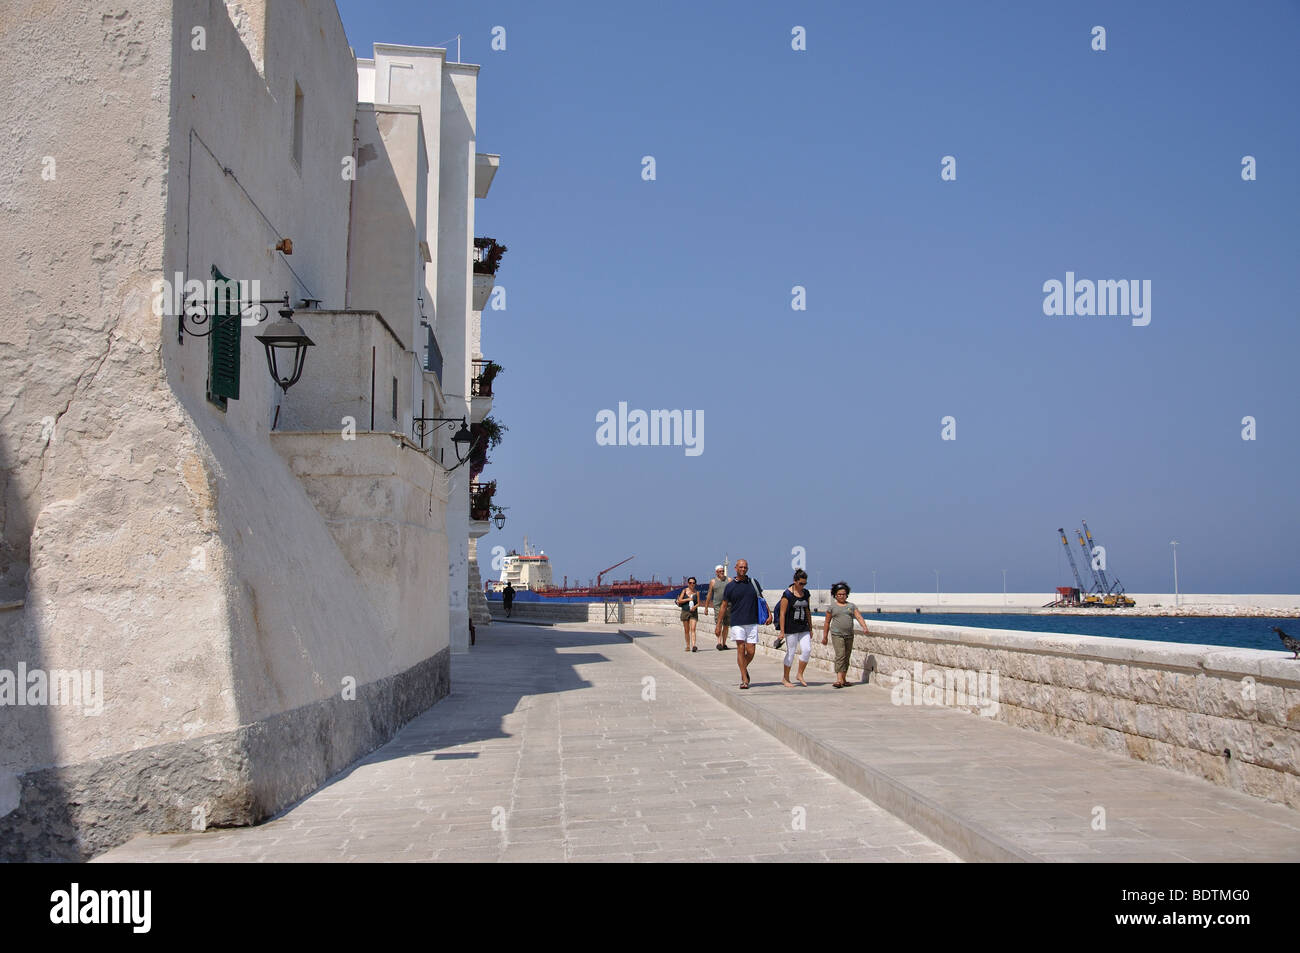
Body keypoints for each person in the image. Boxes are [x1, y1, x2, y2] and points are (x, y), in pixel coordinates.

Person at [716, 558, 763, 689]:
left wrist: (769, 614)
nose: (743, 569)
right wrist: (718, 624)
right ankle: (744, 679)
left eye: (745, 567)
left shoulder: (753, 583)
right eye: (740, 567)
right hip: (737, 622)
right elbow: (724, 606)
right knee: (740, 649)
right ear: (736, 568)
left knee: (751, 651)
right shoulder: (730, 587)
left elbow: (761, 599)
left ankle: (743, 668)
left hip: (752, 621)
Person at [822, 582, 870, 688]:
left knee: (847, 657)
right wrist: (825, 636)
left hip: (849, 635)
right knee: (840, 655)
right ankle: (838, 680)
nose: (841, 596)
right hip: (837, 634)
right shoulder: (832, 607)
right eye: (839, 594)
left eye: (843, 594)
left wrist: (864, 627)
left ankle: (843, 679)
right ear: (835, 595)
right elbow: (827, 622)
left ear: (847, 594)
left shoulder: (851, 606)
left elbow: (859, 617)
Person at [778, 569, 813, 687]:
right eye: (800, 583)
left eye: (804, 584)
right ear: (795, 581)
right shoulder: (787, 595)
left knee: (807, 649)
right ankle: (785, 678)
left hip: (804, 627)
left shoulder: (806, 593)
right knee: (791, 652)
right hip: (791, 627)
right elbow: (782, 614)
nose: (802, 586)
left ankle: (800, 674)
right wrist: (782, 631)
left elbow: (808, 610)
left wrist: (811, 628)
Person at [704, 564, 731, 651]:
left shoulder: (729, 580)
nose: (722, 573)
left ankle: (724, 643)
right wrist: (706, 607)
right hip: (718, 606)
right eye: (720, 571)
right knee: (718, 623)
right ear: (716, 573)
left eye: (723, 571)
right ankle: (719, 642)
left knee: (726, 625)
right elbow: (709, 594)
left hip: (728, 605)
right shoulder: (713, 582)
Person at [676, 577, 701, 652]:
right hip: (685, 611)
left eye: (693, 583)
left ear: (695, 584)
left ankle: (694, 645)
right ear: (688, 583)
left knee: (693, 629)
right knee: (687, 630)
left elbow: (699, 603)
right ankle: (687, 645)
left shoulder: (697, 592)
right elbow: (679, 600)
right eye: (690, 583)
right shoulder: (684, 591)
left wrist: (694, 607)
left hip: (693, 612)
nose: (692, 584)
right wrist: (688, 599)